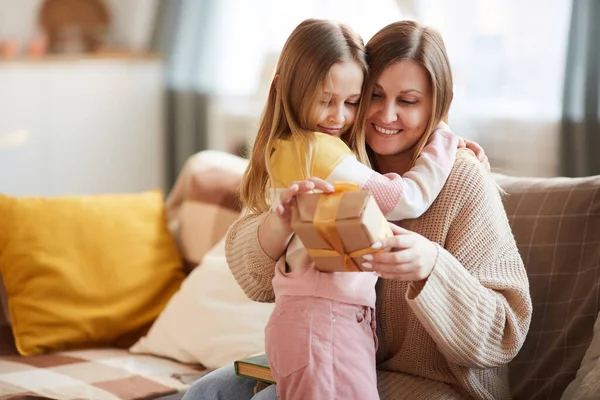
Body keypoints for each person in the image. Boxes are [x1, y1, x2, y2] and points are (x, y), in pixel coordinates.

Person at [185, 19, 527, 400]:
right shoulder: (343, 159)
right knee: (207, 393)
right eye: (374, 96)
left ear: (437, 106)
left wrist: (433, 266)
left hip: (432, 386)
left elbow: (502, 335)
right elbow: (256, 281)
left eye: (409, 101)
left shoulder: (463, 180)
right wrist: (279, 222)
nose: (386, 115)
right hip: (342, 350)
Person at [236, 18, 466, 400]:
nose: (338, 117)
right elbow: (406, 198)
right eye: (325, 100)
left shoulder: (291, 147)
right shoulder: (320, 150)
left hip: (315, 321)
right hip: (326, 325)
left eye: (352, 102)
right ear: (289, 89)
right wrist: (442, 139)